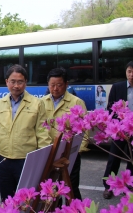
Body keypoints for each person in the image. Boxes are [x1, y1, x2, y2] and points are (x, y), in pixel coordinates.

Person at [0, 64, 51, 201]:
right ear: (6, 82)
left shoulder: (37, 104)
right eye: (13, 81)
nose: (16, 85)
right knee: (7, 198)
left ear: (25, 82)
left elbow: (42, 133)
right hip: (3, 159)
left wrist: (42, 160)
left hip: (26, 160)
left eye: (20, 82)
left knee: (26, 200)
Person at [41, 67, 88, 200]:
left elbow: (84, 128)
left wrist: (77, 151)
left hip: (69, 153)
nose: (55, 89)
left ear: (66, 84)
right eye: (52, 85)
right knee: (51, 190)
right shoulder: (42, 102)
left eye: (59, 85)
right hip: (49, 151)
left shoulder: (76, 102)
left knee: (70, 188)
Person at [102, 61, 133, 199]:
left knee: (132, 160)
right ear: (126, 72)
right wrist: (117, 125)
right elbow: (110, 108)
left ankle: (129, 184)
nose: (132, 75)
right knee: (114, 158)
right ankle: (109, 186)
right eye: (129, 71)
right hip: (119, 130)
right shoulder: (117, 87)